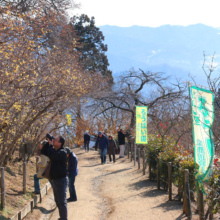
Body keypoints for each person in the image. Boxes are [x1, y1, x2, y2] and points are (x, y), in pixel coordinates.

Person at [41, 135, 68, 220]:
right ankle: (62, 217)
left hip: (61, 180)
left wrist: (50, 144)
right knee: (58, 201)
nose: (54, 141)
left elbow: (52, 156)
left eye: (55, 140)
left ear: (60, 143)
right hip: (55, 180)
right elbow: (44, 151)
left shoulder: (63, 152)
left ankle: (64, 219)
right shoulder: (54, 150)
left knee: (62, 201)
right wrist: (48, 141)